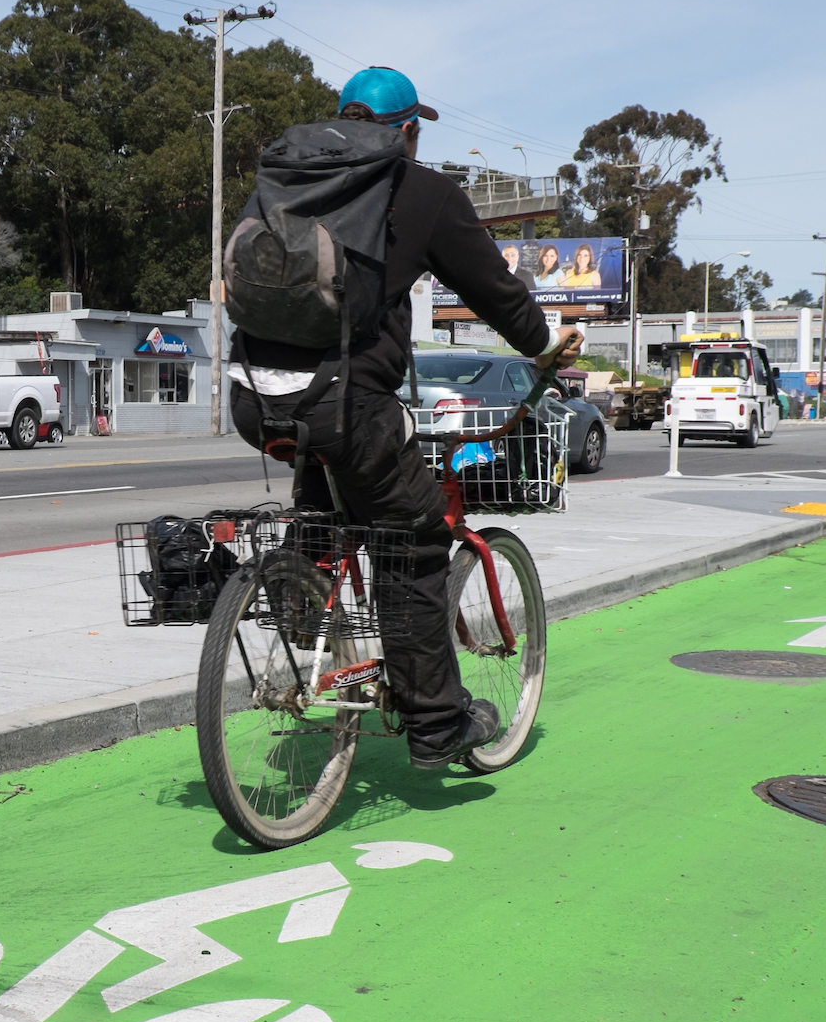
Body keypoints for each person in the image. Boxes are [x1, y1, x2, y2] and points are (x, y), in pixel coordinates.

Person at [228, 66, 572, 771]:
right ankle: (437, 724)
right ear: (407, 130)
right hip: (346, 407)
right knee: (411, 540)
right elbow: (494, 289)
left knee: (327, 508)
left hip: (254, 394)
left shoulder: (287, 179)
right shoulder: (421, 190)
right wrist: (543, 349)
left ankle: (307, 603)